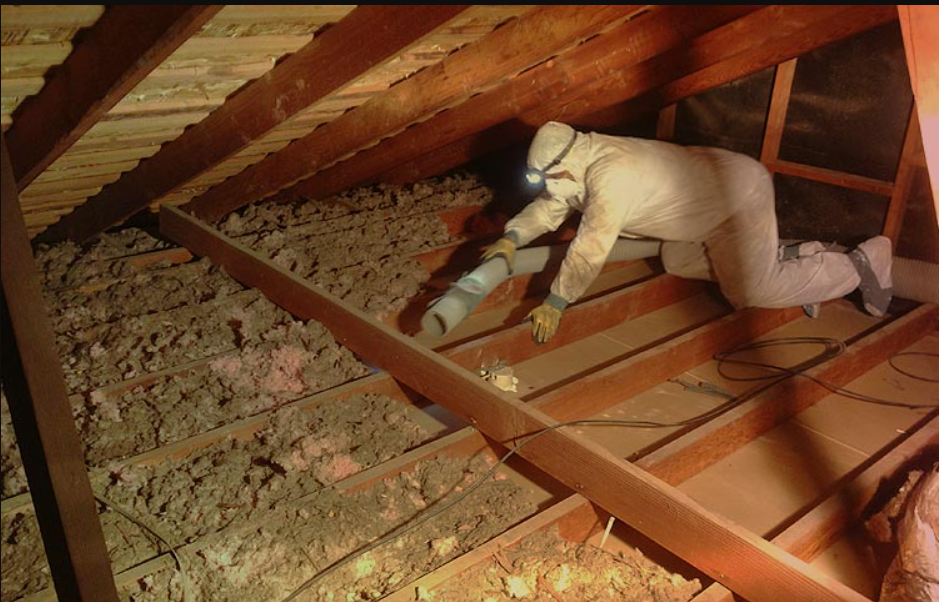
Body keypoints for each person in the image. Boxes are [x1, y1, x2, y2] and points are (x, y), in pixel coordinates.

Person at [482, 121, 893, 344]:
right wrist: (511, 237)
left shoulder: (613, 175)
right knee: (675, 258)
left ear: (563, 167)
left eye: (548, 178)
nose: (549, 187)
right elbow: (553, 204)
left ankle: (859, 264)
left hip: (738, 197)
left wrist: (557, 300)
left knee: (751, 292)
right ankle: (789, 257)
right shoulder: (579, 159)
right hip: (703, 204)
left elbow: (591, 245)